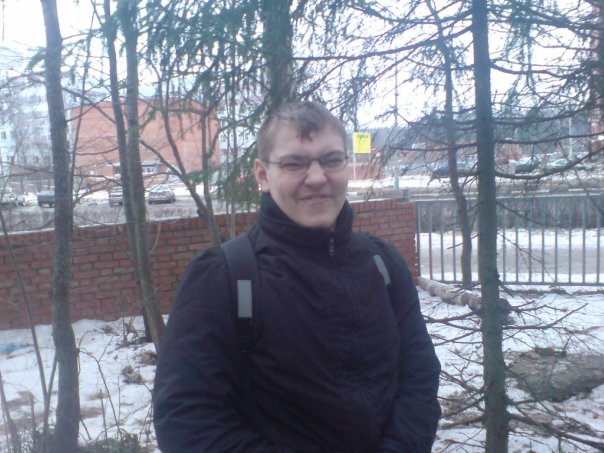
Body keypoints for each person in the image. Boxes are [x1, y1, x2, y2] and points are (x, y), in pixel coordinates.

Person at [153, 101, 441, 452]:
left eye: (331, 160)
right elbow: (186, 420)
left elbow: (419, 377)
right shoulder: (224, 279)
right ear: (262, 174)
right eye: (294, 163)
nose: (317, 177)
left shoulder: (383, 265)